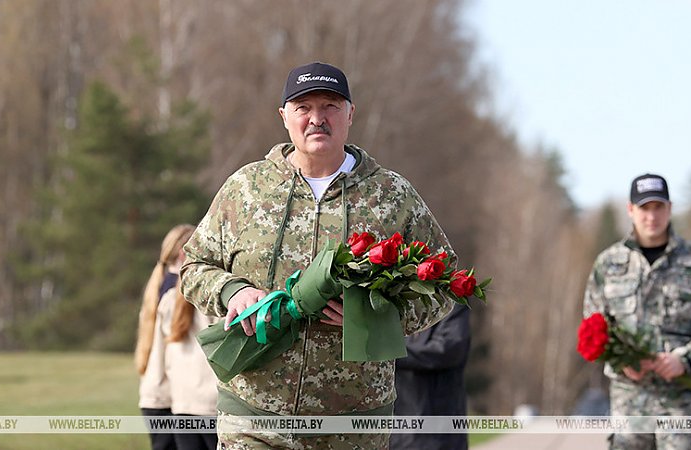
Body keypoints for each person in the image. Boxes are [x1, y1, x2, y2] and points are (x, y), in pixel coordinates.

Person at [179, 61, 458, 449]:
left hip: (353, 424)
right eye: (303, 108)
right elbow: (192, 266)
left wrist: (378, 321)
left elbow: (445, 281)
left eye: (329, 106)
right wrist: (232, 291)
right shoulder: (246, 189)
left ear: (350, 114)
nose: (317, 119)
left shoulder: (391, 195)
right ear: (284, 117)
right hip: (255, 419)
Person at [582, 173, 691, 450]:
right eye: (644, 208)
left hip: (682, 402)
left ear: (670, 208)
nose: (651, 216)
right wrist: (621, 362)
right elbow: (593, 328)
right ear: (630, 210)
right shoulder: (608, 264)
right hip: (629, 406)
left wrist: (685, 359)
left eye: (658, 207)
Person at [137, 224, 219, 450]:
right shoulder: (179, 294)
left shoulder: (157, 287)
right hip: (186, 398)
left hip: (161, 394)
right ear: (185, 253)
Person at [390, 303, 471, 450]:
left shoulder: (452, 302)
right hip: (398, 431)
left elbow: (448, 350)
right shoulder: (396, 299)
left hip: (439, 430)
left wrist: (390, 351)